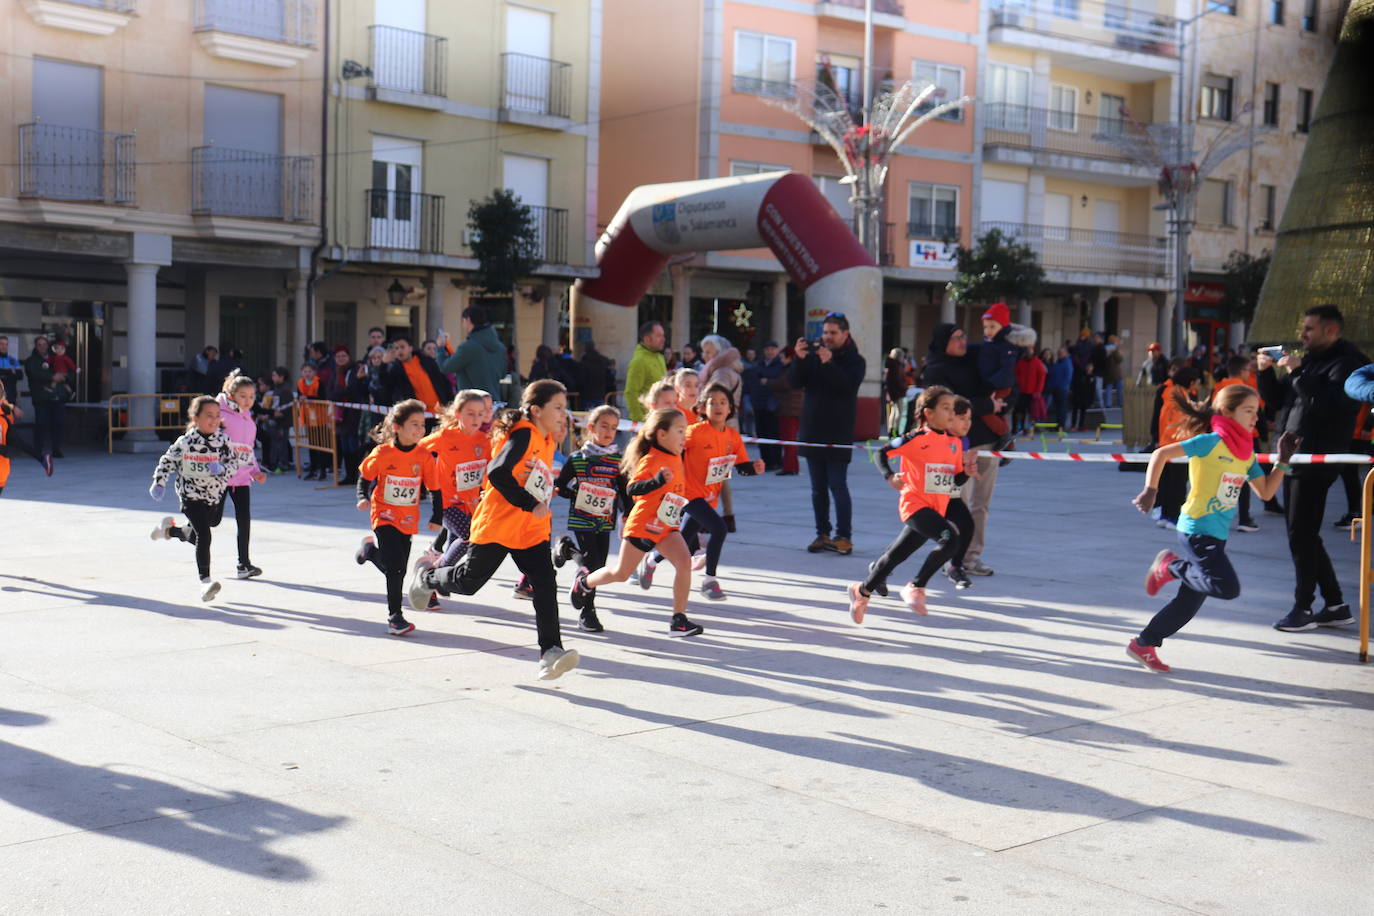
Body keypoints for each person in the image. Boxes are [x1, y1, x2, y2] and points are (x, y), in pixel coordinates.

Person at [406, 380, 581, 680]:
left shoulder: (547, 438)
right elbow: (497, 472)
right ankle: (428, 577)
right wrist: (529, 502)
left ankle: (550, 652)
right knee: (467, 583)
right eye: (558, 408)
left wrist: (538, 508)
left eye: (565, 409)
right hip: (499, 524)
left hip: (530, 530)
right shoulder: (524, 433)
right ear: (537, 410)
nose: (563, 415)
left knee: (545, 584)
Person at [1127, 386, 1298, 672]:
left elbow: (1266, 493)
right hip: (1196, 529)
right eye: (1248, 411)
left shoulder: (1246, 453)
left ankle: (1144, 642)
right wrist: (1150, 491)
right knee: (1227, 587)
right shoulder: (1209, 442)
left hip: (1216, 535)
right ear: (1227, 412)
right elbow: (1160, 454)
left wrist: (1282, 461)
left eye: (1256, 412)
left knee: (1188, 603)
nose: (1255, 417)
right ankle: (1171, 566)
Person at [1258, 304, 1369, 632]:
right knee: (1303, 535)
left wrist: (1297, 373)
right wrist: (1266, 371)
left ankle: (1303, 607)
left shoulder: (1348, 364)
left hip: (1318, 456)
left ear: (1331, 331)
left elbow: (1329, 406)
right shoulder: (1311, 361)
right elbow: (1279, 401)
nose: (1302, 334)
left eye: (1309, 329)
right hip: (1294, 455)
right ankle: (1335, 603)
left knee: (1301, 534)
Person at [570, 407, 705, 637]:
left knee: (684, 564)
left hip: (666, 526)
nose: (685, 436)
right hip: (644, 524)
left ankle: (678, 620)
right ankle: (584, 583)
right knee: (621, 573)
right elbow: (633, 488)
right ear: (662, 434)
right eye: (680, 431)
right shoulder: (653, 458)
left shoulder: (676, 457)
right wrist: (657, 481)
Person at [845, 386, 977, 623]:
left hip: (936, 508)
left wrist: (966, 473)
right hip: (914, 504)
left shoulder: (955, 443)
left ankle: (861, 591)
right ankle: (916, 587)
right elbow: (881, 453)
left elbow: (953, 480)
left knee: (893, 557)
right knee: (951, 539)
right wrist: (890, 476)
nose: (951, 413)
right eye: (945, 408)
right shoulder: (915, 438)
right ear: (928, 413)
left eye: (952, 409)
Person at [639, 383, 764, 601]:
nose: (718, 406)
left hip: (709, 496)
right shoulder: (694, 432)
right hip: (687, 492)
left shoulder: (733, 436)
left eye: (723, 402)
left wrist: (754, 468)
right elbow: (670, 449)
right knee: (719, 528)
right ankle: (709, 581)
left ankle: (651, 561)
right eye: (712, 402)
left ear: (730, 408)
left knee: (684, 537)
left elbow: (741, 467)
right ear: (702, 408)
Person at [148, 396, 261, 602]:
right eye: (209, 415)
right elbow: (168, 461)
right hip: (190, 496)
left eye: (217, 415)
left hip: (214, 497)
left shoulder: (223, 441)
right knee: (204, 535)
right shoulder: (186, 441)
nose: (214, 420)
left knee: (205, 529)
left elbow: (235, 464)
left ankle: (169, 530)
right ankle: (205, 582)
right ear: (195, 417)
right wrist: (160, 482)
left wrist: (222, 470)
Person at [920, 323, 1003, 577]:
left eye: (963, 336)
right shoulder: (934, 371)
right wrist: (986, 404)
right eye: (955, 338)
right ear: (942, 342)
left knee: (982, 504)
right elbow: (952, 406)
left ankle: (971, 556)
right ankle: (951, 556)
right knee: (956, 503)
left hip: (985, 442)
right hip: (953, 447)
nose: (962, 341)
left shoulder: (972, 362)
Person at [354, 399, 440, 637]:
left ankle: (370, 553)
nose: (420, 430)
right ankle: (395, 616)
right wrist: (362, 496)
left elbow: (434, 487)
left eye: (422, 425)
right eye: (414, 424)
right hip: (383, 514)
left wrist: (437, 514)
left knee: (398, 567)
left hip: (407, 517)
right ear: (397, 427)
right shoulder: (383, 453)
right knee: (395, 569)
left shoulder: (423, 455)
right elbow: (365, 476)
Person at [790, 312, 865, 555]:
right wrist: (799, 359)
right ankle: (821, 533)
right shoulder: (814, 358)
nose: (827, 337)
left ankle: (844, 536)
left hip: (838, 433)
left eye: (833, 333)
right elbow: (794, 382)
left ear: (845, 334)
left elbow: (845, 386)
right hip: (812, 431)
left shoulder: (856, 361)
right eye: (825, 333)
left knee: (837, 485)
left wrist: (829, 363)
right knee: (817, 488)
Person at [416, 389, 490, 612]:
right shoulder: (446, 436)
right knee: (469, 536)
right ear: (457, 414)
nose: (476, 419)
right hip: (445, 500)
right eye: (470, 413)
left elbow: (487, 471)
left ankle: (434, 585)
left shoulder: (485, 441)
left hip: (470, 502)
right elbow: (417, 449)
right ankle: (433, 573)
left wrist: (483, 495)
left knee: (454, 541)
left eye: (480, 414)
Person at [551, 404, 623, 633]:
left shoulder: (617, 461)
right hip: (582, 519)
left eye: (613, 428)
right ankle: (587, 613)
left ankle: (566, 549)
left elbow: (624, 491)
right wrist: (575, 493)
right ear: (591, 428)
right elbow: (559, 486)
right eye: (604, 426)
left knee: (600, 567)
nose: (609, 432)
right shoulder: (577, 459)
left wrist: (629, 514)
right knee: (591, 565)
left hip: (605, 520)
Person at [215, 375, 268, 579]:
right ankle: (179, 531)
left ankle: (243, 565)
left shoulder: (248, 418)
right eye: (243, 396)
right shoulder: (219, 413)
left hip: (242, 479)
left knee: (244, 520)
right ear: (231, 395)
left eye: (252, 396)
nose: (248, 400)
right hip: (219, 477)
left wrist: (255, 471)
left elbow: (248, 450)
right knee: (212, 522)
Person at [437, 306, 505, 397]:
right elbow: (503, 374)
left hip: (472, 403)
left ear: (468, 320)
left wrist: (441, 348)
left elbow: (445, 367)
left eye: (463, 321)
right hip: (493, 401)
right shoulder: (500, 347)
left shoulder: (468, 347)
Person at [381, 335, 453, 416]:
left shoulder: (427, 361)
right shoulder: (395, 370)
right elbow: (384, 388)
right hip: (418, 415)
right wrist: (383, 365)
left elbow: (444, 383)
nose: (399, 351)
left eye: (402, 347)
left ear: (411, 348)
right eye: (396, 348)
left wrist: (450, 404)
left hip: (440, 412)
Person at [23, 336, 61, 467]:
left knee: (57, 423)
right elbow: (35, 374)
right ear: (35, 346)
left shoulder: (54, 359)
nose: (42, 347)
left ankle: (56, 449)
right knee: (41, 423)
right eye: (39, 344)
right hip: (40, 397)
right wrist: (52, 377)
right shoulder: (31, 361)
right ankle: (38, 450)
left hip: (54, 396)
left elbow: (61, 371)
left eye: (44, 344)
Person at [768, 345, 803, 475]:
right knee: (789, 439)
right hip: (790, 408)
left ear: (789, 357)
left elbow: (784, 384)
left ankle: (790, 467)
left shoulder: (791, 370)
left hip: (789, 409)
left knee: (788, 439)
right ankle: (791, 466)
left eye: (782, 356)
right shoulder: (791, 368)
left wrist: (768, 383)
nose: (780, 359)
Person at [624, 320, 667, 422]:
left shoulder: (660, 357)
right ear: (647, 339)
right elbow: (631, 393)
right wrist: (639, 420)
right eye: (659, 336)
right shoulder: (639, 361)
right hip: (646, 422)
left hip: (660, 418)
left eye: (663, 336)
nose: (663, 339)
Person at [754, 341, 783, 469]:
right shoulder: (758, 365)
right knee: (761, 435)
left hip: (774, 406)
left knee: (774, 435)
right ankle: (765, 461)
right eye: (767, 349)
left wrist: (768, 381)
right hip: (759, 404)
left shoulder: (780, 366)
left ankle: (776, 461)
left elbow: (781, 382)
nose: (770, 352)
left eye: (772, 349)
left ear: (777, 351)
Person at [1012, 347, 1046, 436]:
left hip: (1032, 392)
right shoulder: (1021, 362)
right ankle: (1017, 427)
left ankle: (1029, 428)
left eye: (1030, 350)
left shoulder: (1037, 362)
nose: (1028, 352)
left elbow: (1041, 376)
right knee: (1019, 410)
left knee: (1032, 412)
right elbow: (1015, 374)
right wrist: (1017, 385)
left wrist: (1038, 390)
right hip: (1021, 391)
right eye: (1027, 351)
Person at [577, 340, 611, 409]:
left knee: (589, 416)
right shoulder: (602, 360)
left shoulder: (584, 361)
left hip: (588, 394)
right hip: (600, 392)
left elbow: (581, 379)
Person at [1046, 346, 1073, 432]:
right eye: (1058, 353)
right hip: (1055, 388)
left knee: (1062, 408)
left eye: (1061, 353)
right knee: (1057, 408)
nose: (1059, 354)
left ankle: (1061, 426)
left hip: (1062, 389)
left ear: (1065, 353)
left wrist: (1063, 386)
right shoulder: (1058, 362)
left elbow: (1068, 377)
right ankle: (1058, 425)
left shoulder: (1067, 363)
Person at [883, 348, 908, 436]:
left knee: (893, 412)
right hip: (898, 392)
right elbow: (898, 380)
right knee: (899, 412)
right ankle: (895, 431)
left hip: (892, 392)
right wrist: (905, 387)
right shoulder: (896, 366)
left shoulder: (890, 365)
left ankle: (891, 430)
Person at [1103, 335, 1125, 409]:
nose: (1118, 342)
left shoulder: (1105, 348)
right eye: (1116, 341)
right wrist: (1121, 355)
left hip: (1107, 371)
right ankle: (1120, 402)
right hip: (1116, 371)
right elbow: (1119, 359)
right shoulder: (1115, 349)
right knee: (1120, 387)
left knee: (1108, 387)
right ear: (1114, 341)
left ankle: (1108, 403)